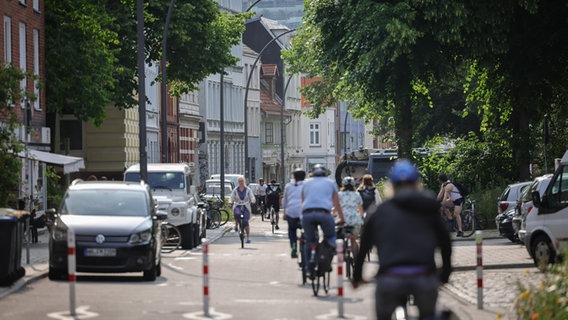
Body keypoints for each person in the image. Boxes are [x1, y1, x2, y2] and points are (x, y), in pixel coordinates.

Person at [352, 160, 452, 320]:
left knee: (383, 315)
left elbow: (364, 246)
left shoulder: (380, 212)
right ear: (417, 184)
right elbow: (445, 244)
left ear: (391, 185)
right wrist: (445, 274)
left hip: (390, 279)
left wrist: (357, 277)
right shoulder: (429, 207)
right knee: (429, 314)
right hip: (424, 277)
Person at [301, 164, 345, 278]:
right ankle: (326, 260)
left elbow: (302, 201)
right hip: (324, 213)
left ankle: (308, 269)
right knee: (330, 236)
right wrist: (342, 218)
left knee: (309, 240)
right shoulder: (330, 183)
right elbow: (336, 203)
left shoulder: (305, 183)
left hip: (308, 214)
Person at [282, 168, 306, 258]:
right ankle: (306, 245)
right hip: (303, 212)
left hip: (291, 211)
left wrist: (284, 213)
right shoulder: (306, 185)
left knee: (292, 230)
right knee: (307, 229)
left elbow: (285, 200)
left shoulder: (288, 186)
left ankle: (294, 245)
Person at [338, 176, 364, 258]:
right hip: (355, 220)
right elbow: (360, 208)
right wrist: (361, 216)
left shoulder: (340, 194)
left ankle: (341, 255)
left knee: (340, 237)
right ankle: (357, 260)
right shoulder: (357, 194)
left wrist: (334, 213)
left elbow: (336, 208)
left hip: (343, 219)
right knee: (353, 240)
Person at [229, 176, 256, 243]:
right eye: (239, 181)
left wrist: (253, 200)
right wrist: (230, 201)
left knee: (246, 221)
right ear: (238, 182)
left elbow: (252, 196)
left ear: (244, 182)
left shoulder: (248, 189)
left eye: (242, 181)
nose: (241, 182)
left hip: (245, 206)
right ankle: (236, 224)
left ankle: (248, 237)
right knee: (237, 213)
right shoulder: (235, 190)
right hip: (237, 205)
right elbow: (231, 197)